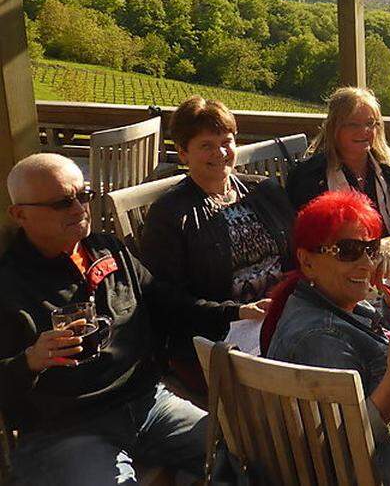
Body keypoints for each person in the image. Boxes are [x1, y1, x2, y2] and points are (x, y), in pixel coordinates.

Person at [0, 153, 262, 484]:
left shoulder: (107, 248)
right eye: (63, 203)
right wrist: (31, 361)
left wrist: (234, 312)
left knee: (250, 456)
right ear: (20, 214)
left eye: (84, 195)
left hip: (148, 402)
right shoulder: (9, 285)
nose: (80, 208)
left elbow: (168, 304)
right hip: (67, 430)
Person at [264, 190, 390, 484]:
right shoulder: (320, 339)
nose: (366, 264)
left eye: (371, 249)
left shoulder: (331, 304)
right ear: (307, 261)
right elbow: (343, 450)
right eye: (348, 250)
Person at [141, 95, 290, 308]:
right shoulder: (169, 214)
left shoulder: (264, 190)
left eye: (226, 142)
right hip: (226, 328)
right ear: (183, 153)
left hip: (285, 310)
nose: (219, 152)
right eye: (206, 145)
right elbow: (165, 299)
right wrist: (236, 313)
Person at [287, 87, 390, 235]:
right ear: (334, 128)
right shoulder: (309, 176)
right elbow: (304, 237)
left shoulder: (388, 169)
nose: (364, 130)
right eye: (353, 124)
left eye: (370, 123)